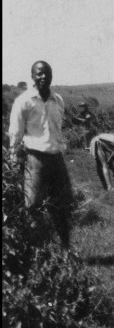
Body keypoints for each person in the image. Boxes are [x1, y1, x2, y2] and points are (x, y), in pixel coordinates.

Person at [8, 61, 74, 249]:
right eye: (39, 74)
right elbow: (16, 133)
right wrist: (14, 160)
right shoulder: (24, 101)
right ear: (33, 76)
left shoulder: (58, 100)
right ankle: (38, 252)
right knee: (32, 206)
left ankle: (66, 250)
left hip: (56, 159)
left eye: (47, 73)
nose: (43, 76)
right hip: (34, 160)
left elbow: (58, 130)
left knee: (62, 205)